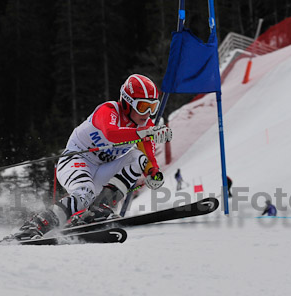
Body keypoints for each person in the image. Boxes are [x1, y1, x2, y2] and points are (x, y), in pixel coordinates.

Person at [13, 74, 173, 240]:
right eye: (142, 106)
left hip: (102, 169)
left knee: (139, 158)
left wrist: (153, 173)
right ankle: (35, 226)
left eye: (152, 107)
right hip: (75, 161)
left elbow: (148, 156)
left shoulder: (144, 125)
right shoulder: (109, 110)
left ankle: (99, 209)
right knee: (84, 193)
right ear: (127, 102)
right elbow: (111, 134)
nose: (147, 113)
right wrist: (144, 132)